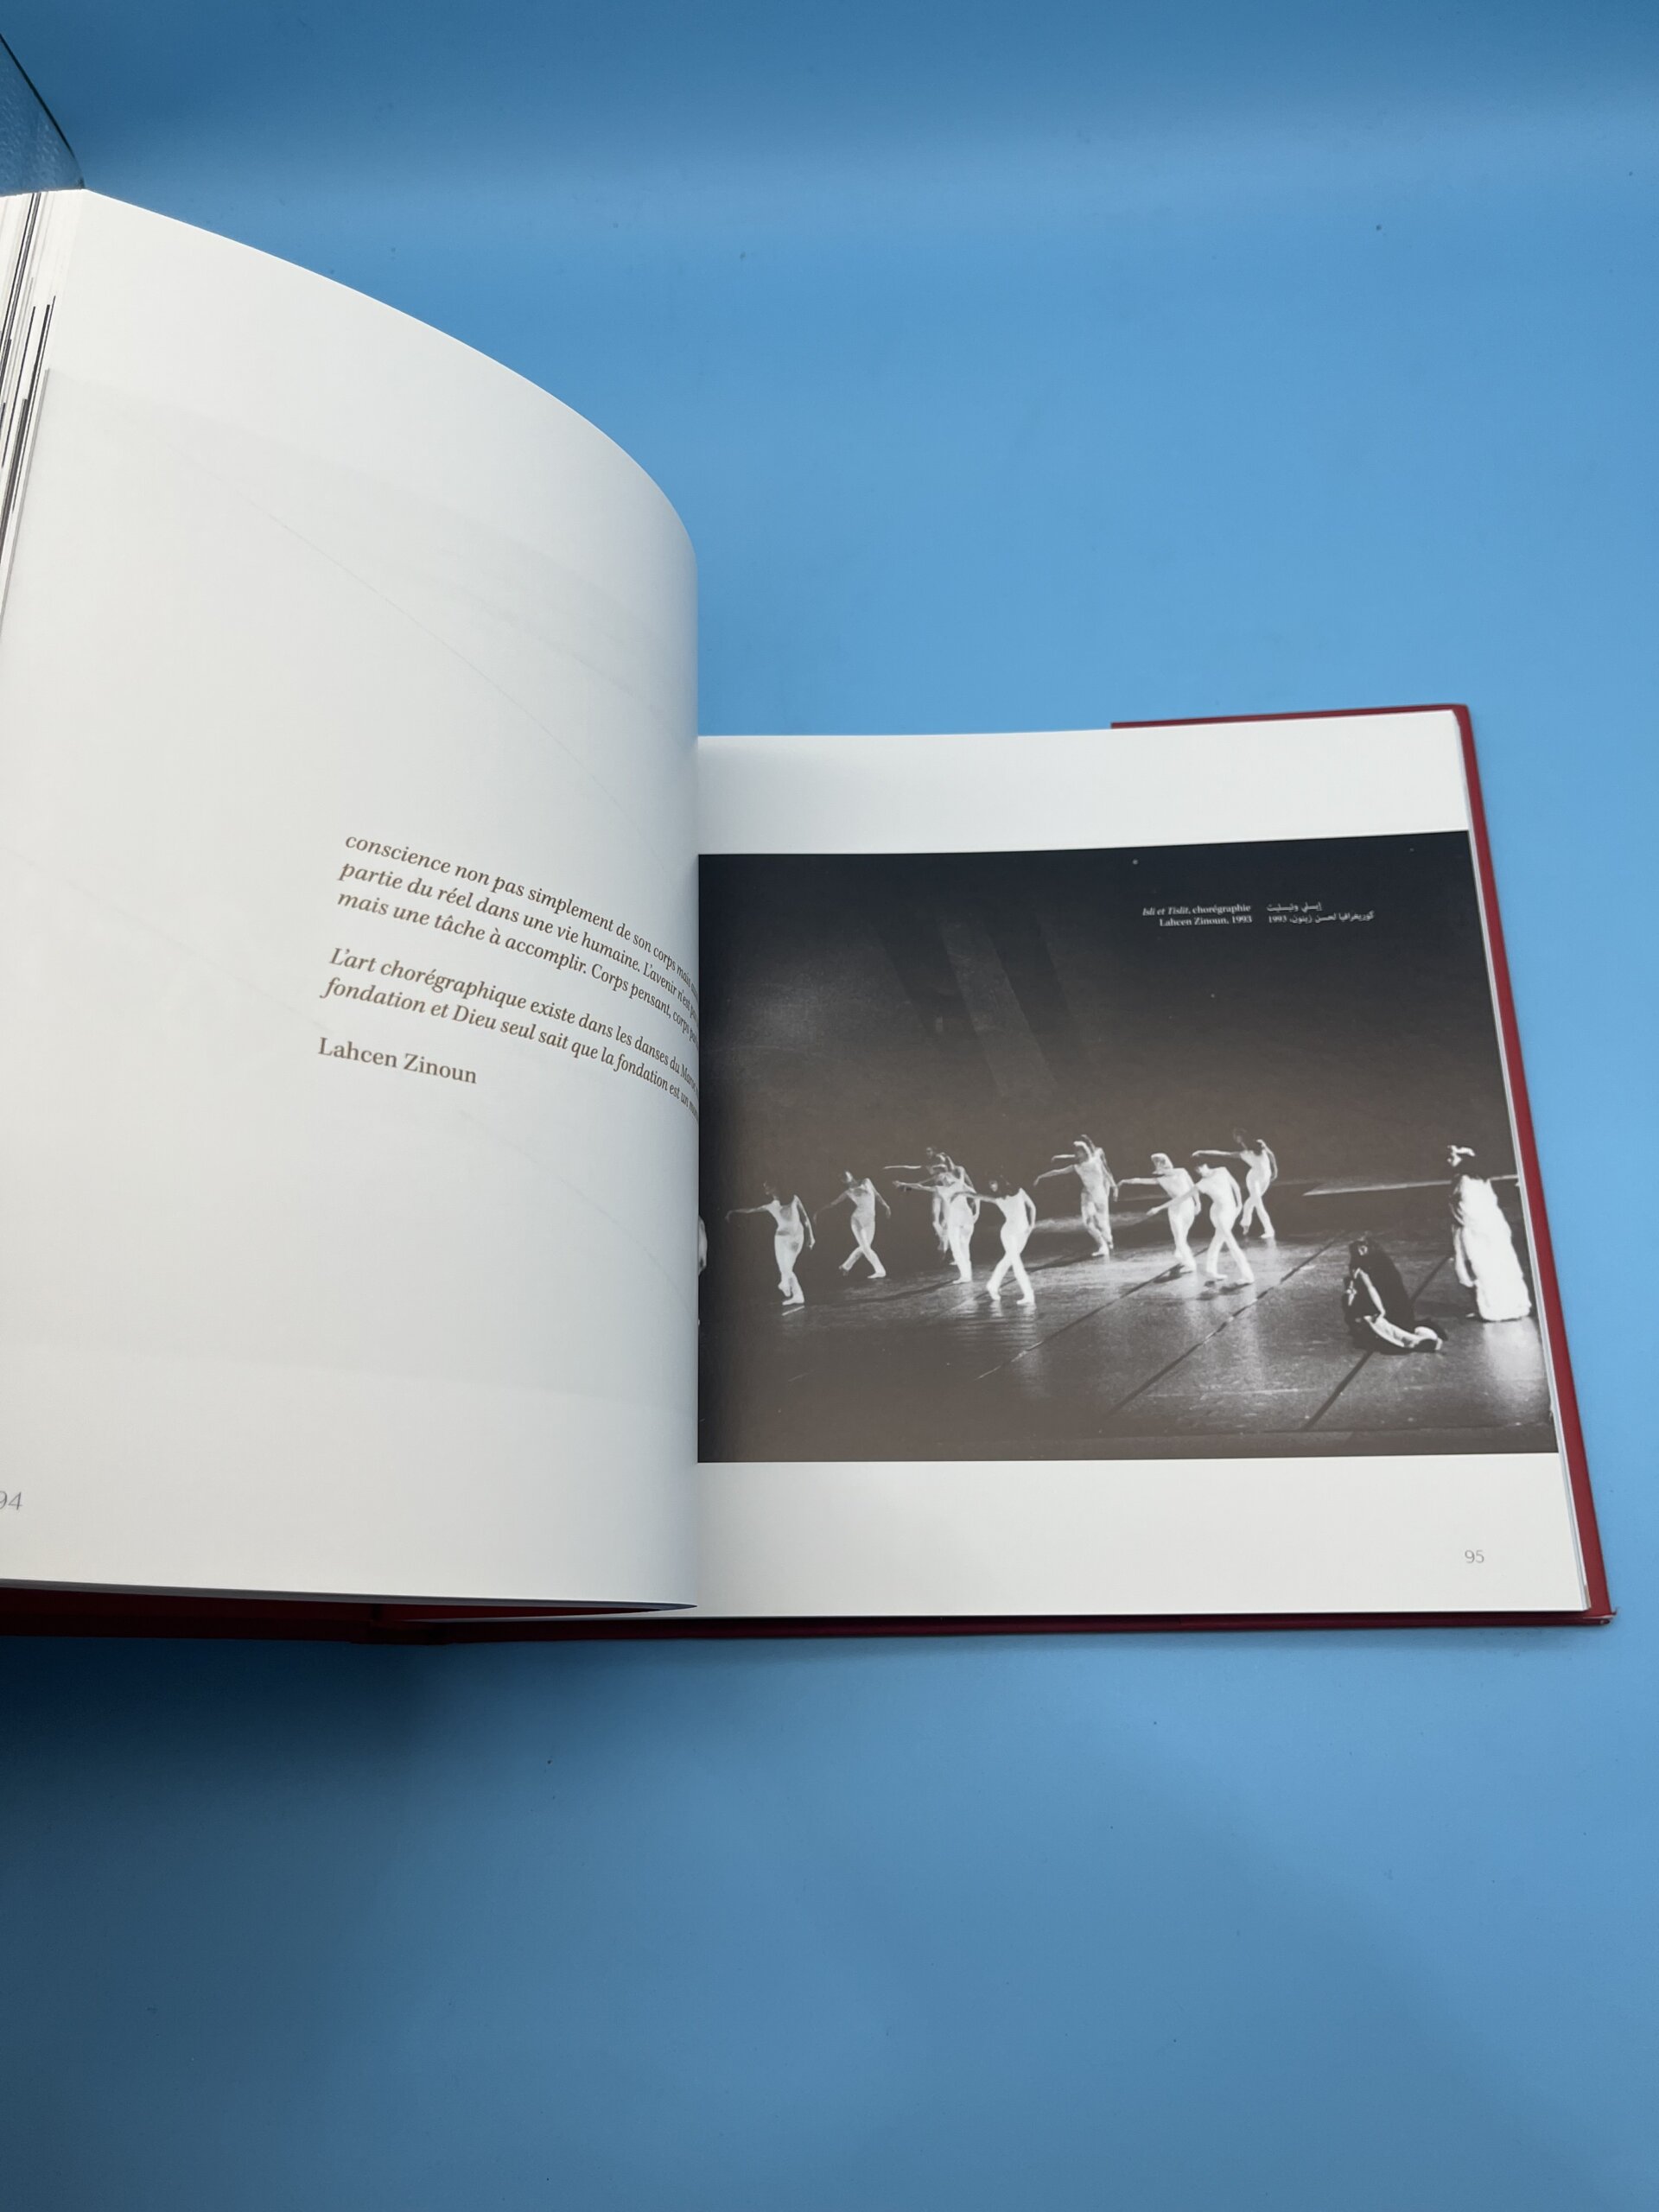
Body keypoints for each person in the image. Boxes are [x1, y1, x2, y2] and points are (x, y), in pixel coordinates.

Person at [1447, 1146, 1531, 1321]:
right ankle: (1497, 1306)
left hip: (1477, 1232)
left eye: (1452, 1157)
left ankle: (1490, 1308)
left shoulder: (1464, 1181)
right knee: (1494, 1267)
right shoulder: (1480, 1180)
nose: (1448, 1161)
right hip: (1490, 1229)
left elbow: (1469, 1210)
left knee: (1478, 1268)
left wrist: (1463, 1230)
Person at [1342, 1234, 1445, 1353]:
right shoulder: (1365, 1264)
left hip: (1381, 1300)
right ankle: (1422, 1339)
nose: (1360, 1253)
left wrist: (1381, 1310)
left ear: (1369, 1247)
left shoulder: (1374, 1263)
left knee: (1390, 1331)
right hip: (1379, 1300)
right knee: (1391, 1329)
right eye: (1357, 1250)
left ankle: (1420, 1341)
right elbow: (1362, 1287)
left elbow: (1372, 1288)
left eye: (1363, 1249)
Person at [727, 1185, 814, 1307]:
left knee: (787, 1269)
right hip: (780, 1238)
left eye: (769, 1186)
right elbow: (751, 1210)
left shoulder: (794, 1199)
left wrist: (811, 1236)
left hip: (796, 1237)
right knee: (784, 1268)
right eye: (765, 1188)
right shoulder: (771, 1206)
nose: (766, 1189)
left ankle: (787, 1286)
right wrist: (734, 1211)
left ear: (776, 1186)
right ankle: (796, 1294)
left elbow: (805, 1218)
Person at [895, 1160, 978, 1282]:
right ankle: (965, 1275)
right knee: (956, 1247)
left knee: (963, 1246)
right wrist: (904, 1184)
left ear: (944, 1174)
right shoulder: (941, 1188)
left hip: (965, 1217)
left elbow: (975, 1194)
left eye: (937, 1174)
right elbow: (920, 1187)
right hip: (954, 1219)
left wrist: (977, 1213)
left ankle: (966, 1275)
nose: (935, 1177)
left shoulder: (958, 1183)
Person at [1034, 1135, 1117, 1255]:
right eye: (1076, 1152)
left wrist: (1114, 1188)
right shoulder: (1077, 1167)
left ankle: (1108, 1240)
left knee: (1102, 1222)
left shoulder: (1096, 1160)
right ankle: (1101, 1245)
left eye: (1079, 1151)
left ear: (1085, 1150)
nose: (1077, 1154)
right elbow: (1059, 1171)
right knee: (1087, 1222)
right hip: (1087, 1194)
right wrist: (1041, 1177)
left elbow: (1107, 1174)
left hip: (1099, 1193)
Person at [1120, 1154, 1201, 1274]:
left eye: (1160, 1164)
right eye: (1157, 1164)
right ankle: (1190, 1263)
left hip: (1187, 1207)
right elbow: (1140, 1180)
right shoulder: (1162, 1179)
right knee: (1179, 1238)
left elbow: (1193, 1187)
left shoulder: (1182, 1172)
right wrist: (1125, 1181)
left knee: (1182, 1237)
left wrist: (1198, 1203)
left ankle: (1182, 1256)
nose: (1159, 1167)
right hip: (1175, 1209)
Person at [1194, 1133, 1278, 1241]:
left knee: (1250, 1203)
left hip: (1266, 1177)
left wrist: (1275, 1170)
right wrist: (1202, 1151)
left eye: (1241, 1140)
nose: (1241, 1143)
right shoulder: (1243, 1154)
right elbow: (1223, 1154)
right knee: (1258, 1204)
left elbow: (1271, 1155)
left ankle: (1245, 1223)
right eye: (1239, 1141)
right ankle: (1269, 1230)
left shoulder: (1260, 1144)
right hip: (1254, 1180)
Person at [817, 1170, 892, 1279]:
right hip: (857, 1219)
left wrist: (886, 1206)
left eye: (846, 1176)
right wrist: (818, 1212)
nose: (845, 1179)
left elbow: (877, 1194)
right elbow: (833, 1203)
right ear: (843, 1181)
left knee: (865, 1247)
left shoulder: (866, 1181)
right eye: (843, 1179)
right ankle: (880, 1271)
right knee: (865, 1247)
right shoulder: (848, 1192)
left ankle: (845, 1266)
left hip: (870, 1219)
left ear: (851, 1175)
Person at [1192, 1157, 1254, 1286]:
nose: (1199, 1171)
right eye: (1196, 1170)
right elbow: (1189, 1194)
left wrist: (1239, 1204)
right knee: (1231, 1243)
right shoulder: (1201, 1183)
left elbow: (1235, 1186)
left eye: (1200, 1167)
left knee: (1218, 1240)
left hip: (1230, 1210)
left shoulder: (1222, 1171)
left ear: (1205, 1164)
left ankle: (1210, 1271)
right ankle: (1248, 1276)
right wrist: (1197, 1204)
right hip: (1218, 1214)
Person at [979, 1178, 1038, 1308]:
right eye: (990, 1184)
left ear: (1000, 1183)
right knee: (1016, 1263)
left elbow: (1032, 1207)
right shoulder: (999, 1200)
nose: (991, 1187)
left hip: (1023, 1232)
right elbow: (981, 1197)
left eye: (993, 1183)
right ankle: (1029, 1295)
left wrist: (1032, 1225)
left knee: (1008, 1260)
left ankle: (992, 1285)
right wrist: (962, 1193)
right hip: (1008, 1234)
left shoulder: (1020, 1192)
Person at [885, 1149, 958, 1253]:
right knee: (935, 1222)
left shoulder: (946, 1171)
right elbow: (915, 1176)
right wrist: (900, 1179)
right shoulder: (933, 1169)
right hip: (937, 1192)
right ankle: (944, 1241)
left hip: (947, 1194)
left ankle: (946, 1243)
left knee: (945, 1221)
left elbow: (926, 1181)